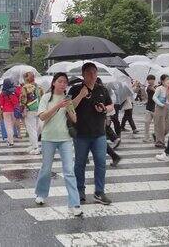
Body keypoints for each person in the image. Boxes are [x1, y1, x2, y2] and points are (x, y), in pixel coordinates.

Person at [34, 72, 83, 216]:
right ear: (54, 83)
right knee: (46, 168)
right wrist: (57, 106)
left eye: (65, 82)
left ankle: (74, 203)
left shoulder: (68, 99)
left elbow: (74, 119)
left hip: (65, 138)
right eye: (60, 81)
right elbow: (42, 117)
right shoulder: (46, 98)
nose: (63, 84)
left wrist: (69, 108)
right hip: (48, 137)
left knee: (69, 171)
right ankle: (41, 194)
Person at [69, 62, 114, 205]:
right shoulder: (75, 89)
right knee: (80, 163)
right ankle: (79, 191)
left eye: (94, 72)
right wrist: (81, 95)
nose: (92, 75)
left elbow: (111, 105)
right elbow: (69, 107)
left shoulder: (102, 89)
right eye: (88, 72)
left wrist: (104, 108)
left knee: (101, 162)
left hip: (99, 134)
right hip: (81, 133)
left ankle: (99, 192)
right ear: (83, 74)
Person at [20, 71, 43, 154]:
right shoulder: (39, 86)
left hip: (29, 109)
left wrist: (22, 107)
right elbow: (42, 97)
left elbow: (23, 99)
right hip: (38, 108)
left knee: (31, 128)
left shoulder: (25, 87)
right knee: (36, 128)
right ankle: (33, 145)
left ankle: (36, 147)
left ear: (26, 78)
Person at [152, 75, 169, 148]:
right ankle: (160, 142)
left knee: (167, 127)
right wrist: (160, 104)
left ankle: (156, 135)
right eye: (167, 80)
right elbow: (154, 97)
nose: (168, 81)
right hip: (160, 108)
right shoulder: (159, 88)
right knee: (160, 126)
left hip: (166, 108)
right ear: (162, 81)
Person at [0, 78, 19, 147]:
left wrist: (2, 107)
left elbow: (0, 102)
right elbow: (16, 101)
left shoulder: (3, 93)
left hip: (6, 111)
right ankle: (11, 140)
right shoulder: (14, 92)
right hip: (14, 111)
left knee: (8, 127)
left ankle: (10, 142)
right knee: (12, 126)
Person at [142, 75, 157, 143]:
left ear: (153, 80)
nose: (149, 81)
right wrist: (142, 90)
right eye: (148, 80)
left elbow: (159, 95)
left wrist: (153, 89)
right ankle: (146, 137)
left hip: (155, 107)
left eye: (150, 80)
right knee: (146, 123)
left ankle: (156, 135)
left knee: (156, 124)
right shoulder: (147, 87)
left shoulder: (157, 86)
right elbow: (145, 97)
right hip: (148, 107)